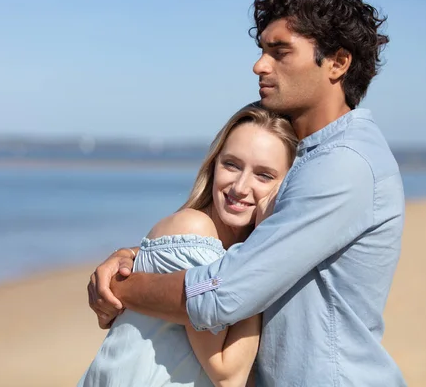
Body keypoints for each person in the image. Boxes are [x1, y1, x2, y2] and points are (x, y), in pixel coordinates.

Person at [88, 0, 407, 385]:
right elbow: (251, 244)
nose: (259, 65)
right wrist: (144, 253)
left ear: (338, 62)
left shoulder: (343, 165)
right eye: (262, 50)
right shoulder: (311, 161)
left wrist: (122, 287)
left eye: (280, 51)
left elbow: (224, 292)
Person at [79, 104, 298, 386]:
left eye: (264, 175)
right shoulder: (195, 229)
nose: (240, 187)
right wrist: (262, 245)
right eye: (231, 164)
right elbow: (228, 374)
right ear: (214, 165)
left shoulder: (226, 248)